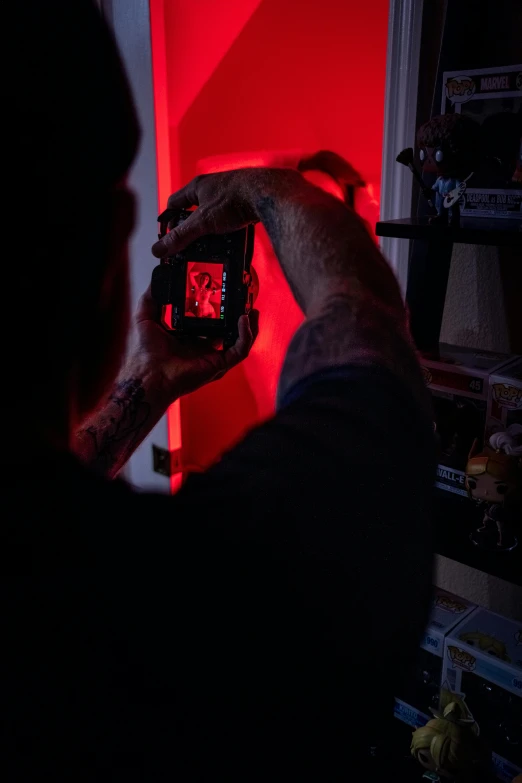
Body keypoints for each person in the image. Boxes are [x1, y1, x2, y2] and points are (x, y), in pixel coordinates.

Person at [4, 1, 436, 780]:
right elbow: (365, 323)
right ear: (113, 250)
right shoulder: (199, 603)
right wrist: (270, 192)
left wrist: (151, 382)